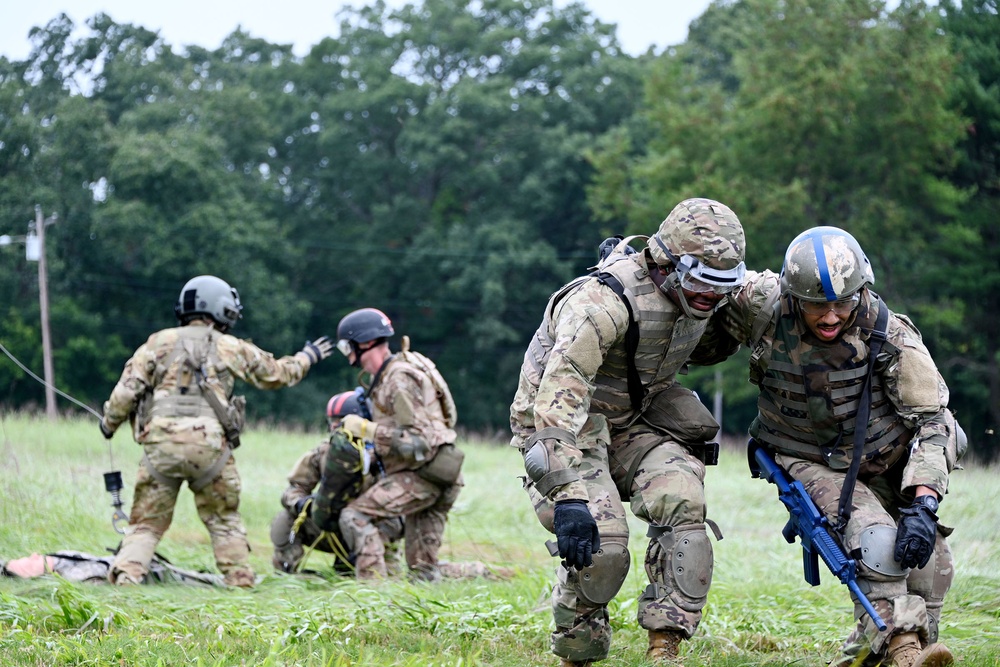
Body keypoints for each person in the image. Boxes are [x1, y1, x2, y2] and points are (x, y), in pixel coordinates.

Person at [509, 198, 748, 666]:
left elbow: (779, 297)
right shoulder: (600, 305)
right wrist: (570, 496)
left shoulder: (709, 298)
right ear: (665, 262)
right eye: (700, 281)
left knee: (685, 511)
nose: (710, 296)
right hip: (566, 428)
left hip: (635, 420)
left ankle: (666, 647)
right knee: (602, 547)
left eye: (722, 286)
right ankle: (577, 654)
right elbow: (555, 407)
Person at [714, 227, 963, 667]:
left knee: (931, 564)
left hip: (886, 460)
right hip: (807, 457)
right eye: (816, 305)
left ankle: (875, 652)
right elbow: (699, 295)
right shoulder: (762, 306)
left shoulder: (890, 334)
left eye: (842, 303)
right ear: (794, 296)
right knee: (879, 545)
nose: (830, 316)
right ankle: (904, 653)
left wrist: (923, 505)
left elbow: (933, 421)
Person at [98, 275, 334, 588]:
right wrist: (308, 357)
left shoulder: (157, 342)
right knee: (224, 520)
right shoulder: (229, 347)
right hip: (211, 451)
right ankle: (239, 582)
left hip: (161, 448)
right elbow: (278, 374)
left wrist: (109, 424)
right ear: (220, 309)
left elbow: (126, 393)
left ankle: (127, 579)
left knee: (145, 525)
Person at [331, 308, 465, 581]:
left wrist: (367, 430)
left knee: (354, 516)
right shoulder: (389, 376)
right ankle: (492, 577)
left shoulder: (398, 379)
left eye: (347, 345)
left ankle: (373, 593)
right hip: (438, 475)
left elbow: (419, 442)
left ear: (365, 342)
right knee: (422, 572)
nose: (347, 353)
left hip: (424, 474)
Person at [270, 389, 404, 575]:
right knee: (284, 519)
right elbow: (294, 489)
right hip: (332, 525)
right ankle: (287, 571)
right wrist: (302, 504)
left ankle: (370, 567)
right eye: (331, 421)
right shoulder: (322, 454)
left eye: (340, 420)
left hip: (372, 528)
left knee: (387, 577)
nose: (335, 426)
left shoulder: (384, 457)